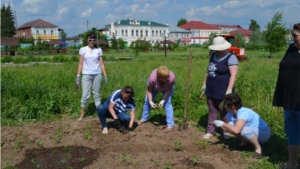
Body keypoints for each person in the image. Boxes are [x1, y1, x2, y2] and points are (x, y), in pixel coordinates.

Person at [273, 23, 300, 169]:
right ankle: (292, 163)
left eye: (296, 36)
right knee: (292, 132)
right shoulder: (291, 49)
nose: (293, 39)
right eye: (293, 36)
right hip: (290, 100)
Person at [201, 36, 238, 139]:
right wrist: (204, 84)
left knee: (224, 111)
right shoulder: (213, 55)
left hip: (223, 89)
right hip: (211, 88)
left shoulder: (231, 57)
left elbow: (233, 75)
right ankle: (210, 131)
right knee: (212, 110)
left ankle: (226, 131)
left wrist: (229, 89)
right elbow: (209, 71)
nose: (217, 50)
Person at [212, 93, 270, 159]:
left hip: (263, 134)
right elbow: (229, 126)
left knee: (243, 130)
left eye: (226, 104)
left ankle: (259, 149)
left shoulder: (243, 113)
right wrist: (223, 125)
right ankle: (244, 142)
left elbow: (236, 130)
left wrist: (222, 124)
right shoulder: (230, 113)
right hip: (253, 132)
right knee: (230, 125)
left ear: (232, 106)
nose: (225, 106)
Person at [76, 33, 108, 121]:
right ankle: (82, 114)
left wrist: (105, 74)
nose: (92, 42)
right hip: (86, 74)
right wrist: (78, 76)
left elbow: (101, 63)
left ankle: (99, 113)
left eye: (94, 40)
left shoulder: (98, 50)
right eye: (90, 40)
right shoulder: (83, 50)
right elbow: (80, 63)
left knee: (97, 95)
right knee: (85, 95)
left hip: (97, 74)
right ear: (87, 40)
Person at [137, 66, 176, 130]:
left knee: (167, 103)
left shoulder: (171, 78)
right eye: (165, 78)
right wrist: (150, 101)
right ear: (159, 77)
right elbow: (149, 90)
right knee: (147, 101)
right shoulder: (152, 78)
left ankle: (170, 124)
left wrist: (163, 100)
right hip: (154, 88)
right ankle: (144, 119)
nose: (167, 79)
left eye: (167, 77)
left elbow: (169, 89)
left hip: (166, 89)